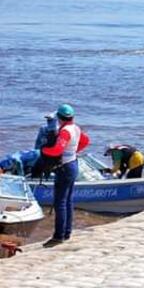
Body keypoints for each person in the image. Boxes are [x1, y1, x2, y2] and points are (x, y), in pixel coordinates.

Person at [41, 104, 90, 247]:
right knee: (68, 201)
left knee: (60, 203)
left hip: (64, 168)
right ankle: (67, 233)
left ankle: (58, 236)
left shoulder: (65, 131)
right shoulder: (76, 128)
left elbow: (56, 150)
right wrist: (74, 151)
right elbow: (86, 141)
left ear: (60, 118)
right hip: (73, 164)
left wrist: (44, 150)